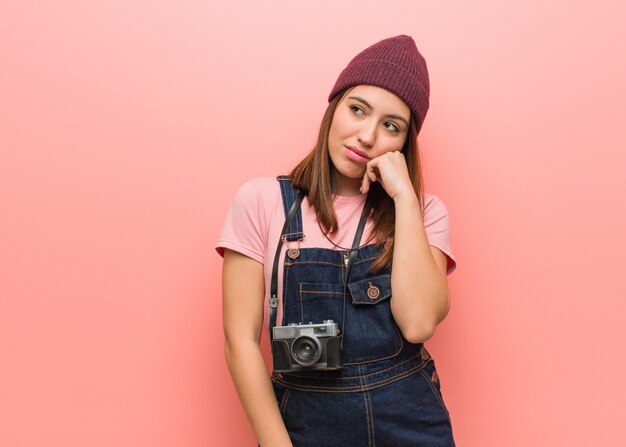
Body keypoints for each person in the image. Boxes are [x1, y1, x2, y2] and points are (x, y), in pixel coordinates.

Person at [216, 35, 457, 447]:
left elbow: (419, 324)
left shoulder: (423, 213)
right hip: (305, 426)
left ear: (404, 145)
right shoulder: (262, 201)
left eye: (391, 126)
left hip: (411, 422)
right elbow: (240, 341)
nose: (366, 136)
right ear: (334, 107)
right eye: (357, 109)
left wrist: (403, 199)